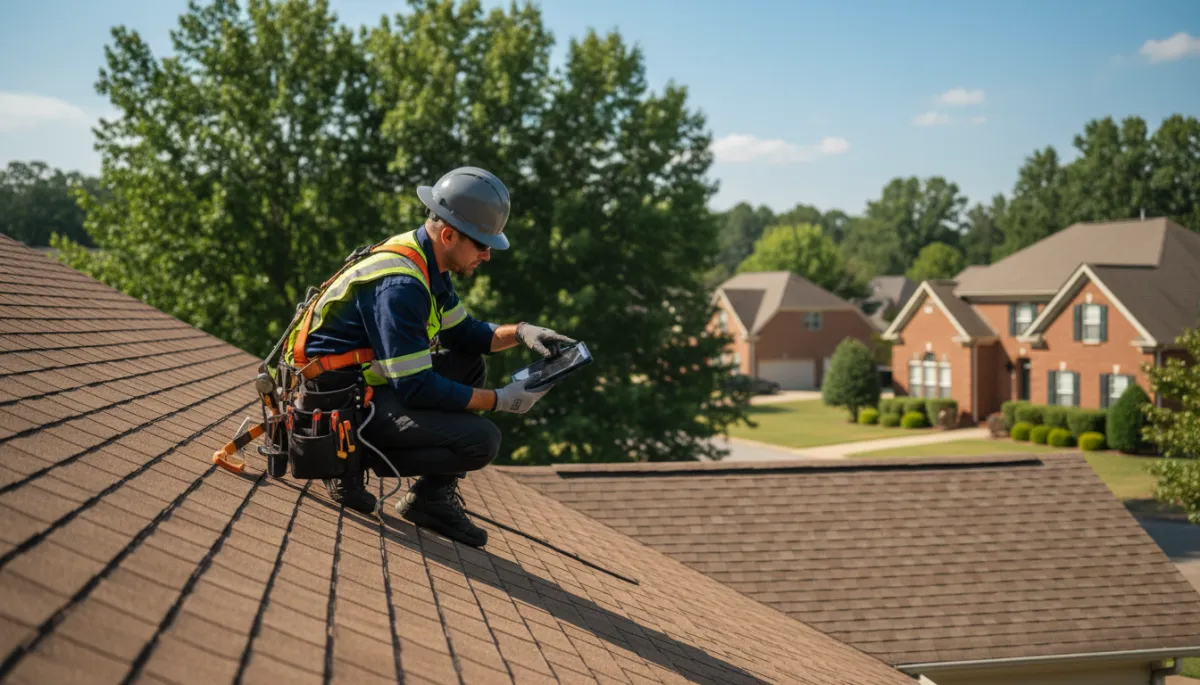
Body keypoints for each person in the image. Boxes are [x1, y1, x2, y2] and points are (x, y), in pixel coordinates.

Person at [289, 166, 574, 547]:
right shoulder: (401, 286)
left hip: (367, 388)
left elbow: (465, 334)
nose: (487, 256)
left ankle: (430, 500)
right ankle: (344, 464)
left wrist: (522, 332)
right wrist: (500, 400)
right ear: (449, 235)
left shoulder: (427, 262)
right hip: (340, 407)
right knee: (482, 441)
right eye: (481, 245)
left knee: (469, 363)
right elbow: (416, 387)